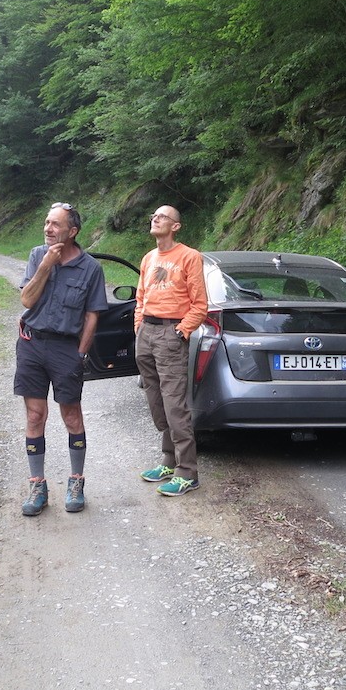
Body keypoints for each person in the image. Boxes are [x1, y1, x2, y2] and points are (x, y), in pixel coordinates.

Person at [15, 202, 108, 516]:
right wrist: (45, 265)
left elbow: (93, 316)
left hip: (66, 348)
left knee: (71, 416)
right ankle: (37, 485)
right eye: (46, 223)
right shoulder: (36, 255)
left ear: (73, 231)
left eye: (55, 224)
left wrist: (81, 354)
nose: (48, 228)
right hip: (31, 343)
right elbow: (27, 300)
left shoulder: (91, 269)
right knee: (34, 416)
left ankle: (76, 480)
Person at [134, 205, 208, 497]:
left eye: (162, 216)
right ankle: (168, 460)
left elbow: (200, 304)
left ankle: (188, 472)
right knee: (156, 401)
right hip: (147, 333)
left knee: (175, 403)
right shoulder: (149, 258)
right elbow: (140, 295)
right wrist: (139, 324)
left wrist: (181, 330)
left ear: (176, 226)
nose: (155, 219)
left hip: (171, 332)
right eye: (153, 215)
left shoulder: (189, 256)